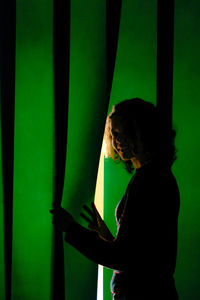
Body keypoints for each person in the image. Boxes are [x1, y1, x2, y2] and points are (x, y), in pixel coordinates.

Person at [50, 98, 180, 300]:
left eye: (120, 133)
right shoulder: (153, 177)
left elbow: (123, 258)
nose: (116, 140)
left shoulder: (149, 181)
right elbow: (138, 253)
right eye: (113, 134)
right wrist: (105, 234)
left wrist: (71, 228)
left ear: (141, 132)